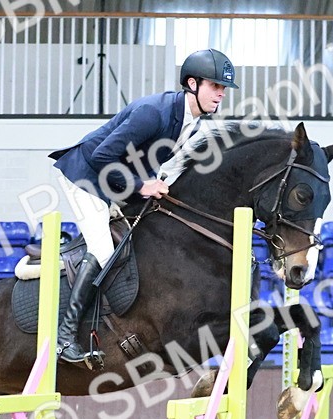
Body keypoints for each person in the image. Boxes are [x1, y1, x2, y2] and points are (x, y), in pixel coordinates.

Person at [46, 48, 238, 364]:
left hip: (116, 179)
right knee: (103, 250)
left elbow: (151, 161)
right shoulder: (153, 112)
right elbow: (102, 156)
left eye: (223, 88)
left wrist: (153, 185)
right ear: (192, 84)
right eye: (215, 86)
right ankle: (64, 336)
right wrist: (141, 186)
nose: (221, 94)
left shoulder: (192, 122)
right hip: (86, 175)